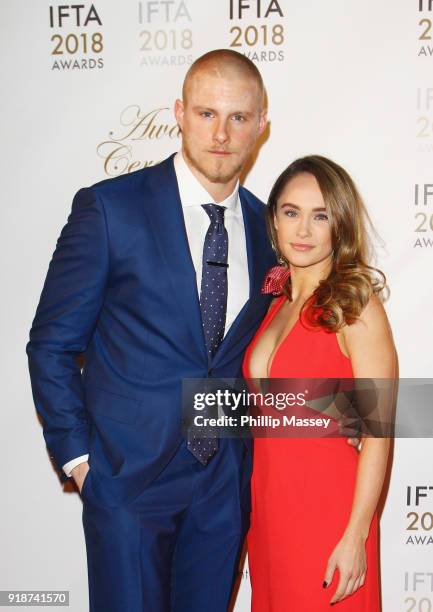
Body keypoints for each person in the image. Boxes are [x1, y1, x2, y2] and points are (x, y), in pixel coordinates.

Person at [26, 49, 275, 612]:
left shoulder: (269, 229)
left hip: (223, 490)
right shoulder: (111, 209)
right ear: (180, 112)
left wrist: (355, 417)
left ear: (261, 125)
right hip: (126, 481)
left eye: (238, 117)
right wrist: (82, 464)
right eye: (207, 113)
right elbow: (52, 345)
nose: (220, 133)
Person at [243, 155, 397, 610]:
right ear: (274, 220)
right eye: (292, 213)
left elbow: (379, 430)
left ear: (340, 224)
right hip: (269, 513)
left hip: (329, 515)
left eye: (320, 215)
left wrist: (356, 535)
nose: (303, 230)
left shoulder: (356, 306)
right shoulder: (271, 306)